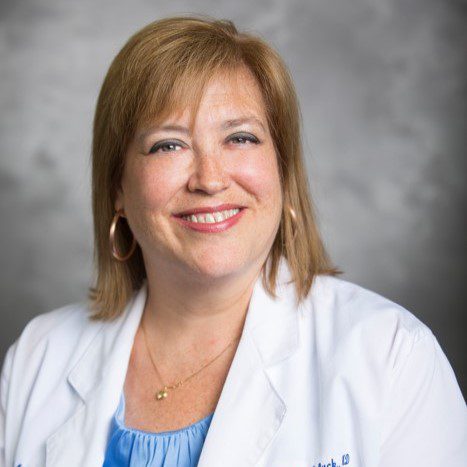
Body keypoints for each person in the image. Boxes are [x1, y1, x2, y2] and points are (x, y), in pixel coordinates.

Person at [1, 15, 466, 467]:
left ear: (282, 171)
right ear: (118, 188)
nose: (209, 179)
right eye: (168, 144)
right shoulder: (37, 357)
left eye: (240, 138)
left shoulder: (392, 356)